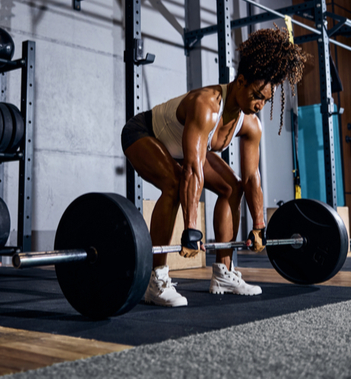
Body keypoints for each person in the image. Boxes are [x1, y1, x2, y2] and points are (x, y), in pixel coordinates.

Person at [120, 27, 306, 307]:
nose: (259, 105)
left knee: (231, 188)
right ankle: (155, 279)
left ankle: (223, 272)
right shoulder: (206, 105)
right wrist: (192, 229)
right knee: (173, 183)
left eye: (266, 100)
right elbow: (193, 170)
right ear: (240, 81)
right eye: (257, 95)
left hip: (182, 151)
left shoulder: (250, 123)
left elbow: (252, 177)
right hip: (144, 133)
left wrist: (259, 225)